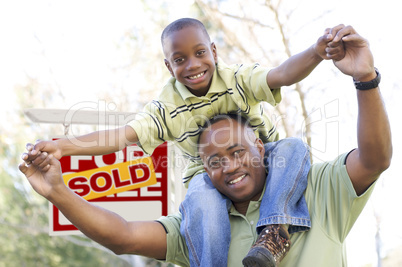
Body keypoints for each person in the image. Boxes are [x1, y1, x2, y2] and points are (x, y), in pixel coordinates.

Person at [20, 25, 392, 267]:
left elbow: (281, 75)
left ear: (214, 51)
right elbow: (120, 142)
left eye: (237, 153)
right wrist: (62, 153)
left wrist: (331, 60)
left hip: (281, 168)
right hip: (202, 192)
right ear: (168, 67)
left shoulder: (317, 191)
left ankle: (275, 230)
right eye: (179, 59)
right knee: (198, 197)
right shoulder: (200, 218)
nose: (229, 166)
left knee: (294, 147)